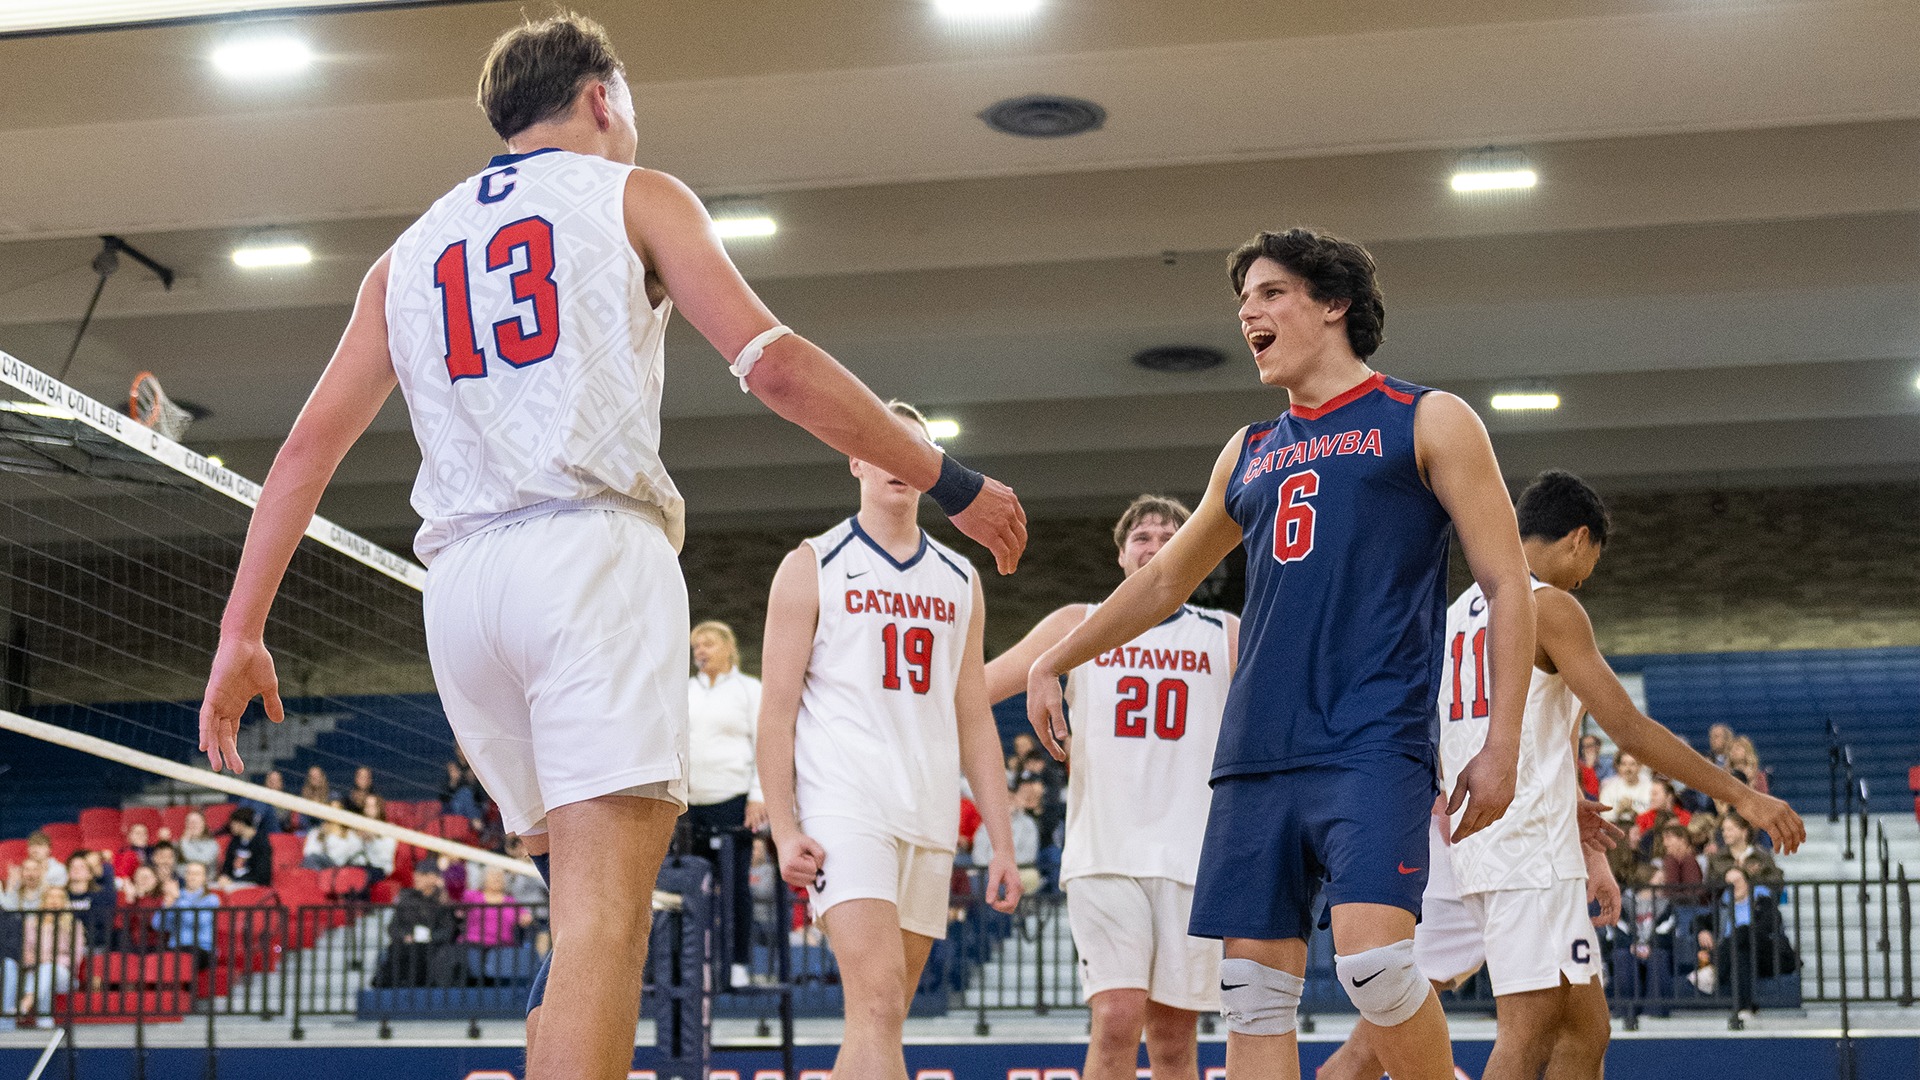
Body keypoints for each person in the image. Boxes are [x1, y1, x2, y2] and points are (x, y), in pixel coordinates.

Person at [196, 15, 1028, 1079]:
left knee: (569, 917)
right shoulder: (637, 194)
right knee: (606, 924)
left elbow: (306, 450)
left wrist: (241, 629)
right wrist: (946, 475)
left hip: (459, 591)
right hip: (586, 562)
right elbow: (774, 369)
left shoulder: (404, 257)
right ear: (601, 98)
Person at [1023, 229, 1534, 1080]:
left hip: (1373, 739)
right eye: (1243, 301)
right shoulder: (1249, 449)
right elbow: (1160, 587)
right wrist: (1056, 658)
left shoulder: (1427, 417)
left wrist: (1502, 742)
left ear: (1333, 304)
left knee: (1376, 967)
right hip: (1256, 751)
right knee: (1253, 996)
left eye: (1269, 295)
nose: (1247, 314)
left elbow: (1507, 582)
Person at [1322, 469, 1805, 1080]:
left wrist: (1585, 840)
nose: (1587, 576)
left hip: (1484, 841)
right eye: (1592, 560)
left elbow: (1524, 730)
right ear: (1580, 539)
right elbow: (1627, 728)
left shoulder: (1454, 616)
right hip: (1524, 847)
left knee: (1585, 1028)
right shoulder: (1547, 604)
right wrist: (1743, 798)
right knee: (1530, 1031)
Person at [758, 401, 1023, 1080]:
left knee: (880, 1019)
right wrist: (785, 830)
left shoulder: (961, 580)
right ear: (855, 457)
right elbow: (776, 713)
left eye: (914, 446)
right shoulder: (811, 562)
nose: (898, 459)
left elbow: (973, 719)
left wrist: (1001, 843)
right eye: (883, 443)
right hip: (845, 806)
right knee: (876, 1004)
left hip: (929, 814)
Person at [982, 493, 1238, 1080]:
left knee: (1175, 1038)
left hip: (1192, 856)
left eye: (1172, 537)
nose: (1156, 547)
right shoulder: (1079, 623)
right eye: (1142, 538)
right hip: (1105, 851)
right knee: (1118, 1019)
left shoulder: (1224, 632)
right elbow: (980, 688)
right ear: (1122, 556)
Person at [685, 619, 765, 986]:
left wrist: (758, 796)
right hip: (689, 805)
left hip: (732, 801)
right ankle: (684, 966)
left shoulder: (750, 690)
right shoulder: (683, 691)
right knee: (684, 887)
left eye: (708, 644)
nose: (700, 651)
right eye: (696, 646)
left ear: (729, 648)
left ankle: (737, 965)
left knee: (736, 888)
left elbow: (764, 745)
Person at [377, 863, 459, 989]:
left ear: (433, 878)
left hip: (433, 947)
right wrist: (405, 936)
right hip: (407, 945)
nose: (417, 878)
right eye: (417, 875)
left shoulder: (443, 901)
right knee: (396, 952)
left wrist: (430, 937)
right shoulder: (407, 899)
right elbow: (393, 927)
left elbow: (448, 930)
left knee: (434, 957)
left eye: (422, 875)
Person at [14, 886, 83, 1027]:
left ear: (65, 902)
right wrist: (41, 961)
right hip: (36, 972)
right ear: (44, 901)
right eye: (51, 897)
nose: (54, 901)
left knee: (47, 969)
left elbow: (75, 957)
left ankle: (26, 1003)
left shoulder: (74, 925)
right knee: (44, 972)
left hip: (64, 975)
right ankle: (44, 1022)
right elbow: (26, 953)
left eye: (59, 897)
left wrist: (48, 961)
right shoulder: (31, 924)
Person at [971, 777, 1043, 895]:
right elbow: (978, 853)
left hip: (1020, 868)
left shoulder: (1028, 824)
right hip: (988, 870)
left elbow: (1029, 853)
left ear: (1016, 800)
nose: (1007, 802)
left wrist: (1008, 868)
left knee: (1029, 876)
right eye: (1003, 799)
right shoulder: (986, 825)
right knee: (981, 880)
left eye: (1010, 798)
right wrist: (994, 868)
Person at [155, 862, 220, 972]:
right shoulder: (176, 895)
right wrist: (167, 906)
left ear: (204, 878)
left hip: (202, 949)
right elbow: (158, 925)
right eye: (189, 873)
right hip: (176, 947)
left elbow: (197, 921)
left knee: (185, 959)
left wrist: (178, 900)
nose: (192, 877)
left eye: (197, 874)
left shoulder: (211, 899)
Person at [1707, 813, 1784, 893]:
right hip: (1725, 904)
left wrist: (1752, 874)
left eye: (1730, 830)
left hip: (1756, 903)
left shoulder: (1761, 856)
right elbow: (1710, 886)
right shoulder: (1718, 857)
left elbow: (1776, 882)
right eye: (1723, 830)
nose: (1725, 834)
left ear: (1744, 832)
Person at [216, 808, 274, 889]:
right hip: (232, 882)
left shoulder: (261, 843)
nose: (230, 826)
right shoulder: (235, 841)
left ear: (241, 824)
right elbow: (227, 865)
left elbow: (262, 876)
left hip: (252, 884)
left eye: (233, 823)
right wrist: (224, 877)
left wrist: (234, 880)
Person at [1599, 752, 1655, 819]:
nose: (1628, 769)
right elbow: (1604, 816)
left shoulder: (1651, 788)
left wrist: (1633, 812)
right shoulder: (1609, 789)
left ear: (1640, 766)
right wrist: (1619, 810)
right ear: (1619, 767)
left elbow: (1653, 817)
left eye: (1632, 764)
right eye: (1624, 764)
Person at [235, 769, 289, 834]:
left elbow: (283, 819)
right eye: (270, 780)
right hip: (257, 827)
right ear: (265, 781)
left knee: (263, 803)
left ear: (281, 783)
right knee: (250, 796)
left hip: (273, 829)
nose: (272, 783)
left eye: (275, 781)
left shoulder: (286, 800)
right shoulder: (256, 796)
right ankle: (244, 826)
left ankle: (250, 827)